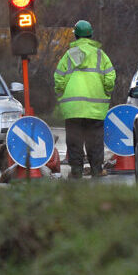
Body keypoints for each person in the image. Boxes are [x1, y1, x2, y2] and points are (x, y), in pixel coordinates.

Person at [53, 19, 116, 178]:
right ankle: (96, 170)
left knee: (74, 141)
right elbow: (110, 77)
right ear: (91, 35)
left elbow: (59, 79)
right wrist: (106, 91)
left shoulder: (69, 55)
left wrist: (61, 93)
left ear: (75, 36)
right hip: (95, 108)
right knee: (94, 141)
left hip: (73, 108)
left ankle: (76, 172)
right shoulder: (100, 55)